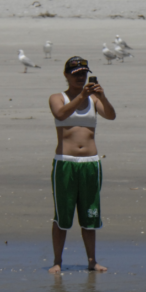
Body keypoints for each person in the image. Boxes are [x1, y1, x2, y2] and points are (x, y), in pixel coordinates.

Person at [48, 56, 116, 273]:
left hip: (90, 163)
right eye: (76, 74)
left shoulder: (93, 100)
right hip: (66, 163)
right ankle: (57, 261)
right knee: (63, 215)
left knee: (90, 214)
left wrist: (102, 97)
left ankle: (92, 261)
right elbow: (61, 113)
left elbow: (111, 116)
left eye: (83, 74)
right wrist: (81, 97)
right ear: (66, 75)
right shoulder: (57, 97)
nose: (80, 77)